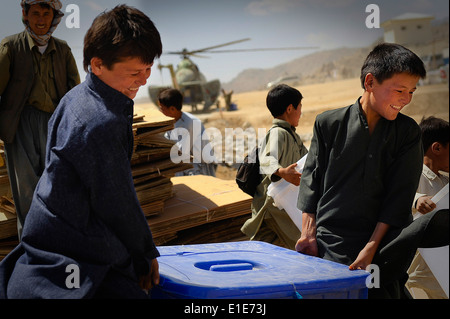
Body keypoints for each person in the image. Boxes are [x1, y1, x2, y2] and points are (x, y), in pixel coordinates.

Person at [0, 5, 162, 299]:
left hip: (46, 240)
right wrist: (145, 254)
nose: (144, 80)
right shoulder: (102, 121)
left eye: (149, 69)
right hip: (75, 256)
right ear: (98, 65)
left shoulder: (75, 98)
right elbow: (116, 201)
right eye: (135, 72)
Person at [295, 43, 449, 298]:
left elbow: (398, 198)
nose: (406, 99)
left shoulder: (407, 133)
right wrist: (308, 233)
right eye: (400, 90)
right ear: (370, 82)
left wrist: (370, 248)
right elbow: (312, 179)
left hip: (385, 244)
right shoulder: (329, 123)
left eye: (411, 91)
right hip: (331, 239)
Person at [0, 0, 80, 238]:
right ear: (26, 14)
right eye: (36, 13)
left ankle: (56, 243)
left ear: (54, 17)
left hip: (55, 125)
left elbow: (74, 91)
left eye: (47, 14)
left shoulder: (63, 50)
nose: (41, 19)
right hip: (20, 124)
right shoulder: (11, 46)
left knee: (56, 184)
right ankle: (32, 246)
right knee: (26, 189)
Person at [241, 84, 308, 250]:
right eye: (300, 107)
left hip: (280, 205)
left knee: (262, 249)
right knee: (302, 247)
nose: (301, 112)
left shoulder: (292, 135)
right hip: (274, 207)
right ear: (290, 108)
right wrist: (282, 172)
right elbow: (267, 159)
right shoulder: (278, 133)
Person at [406, 116, 449, 299]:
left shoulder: (445, 182)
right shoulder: (412, 175)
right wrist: (416, 200)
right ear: (437, 148)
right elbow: (391, 198)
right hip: (415, 273)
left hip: (439, 271)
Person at [158, 88, 218, 177]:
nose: (160, 112)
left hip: (199, 167)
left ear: (172, 109)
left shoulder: (191, 123)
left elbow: (180, 151)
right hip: (184, 165)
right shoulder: (170, 122)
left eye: (162, 109)